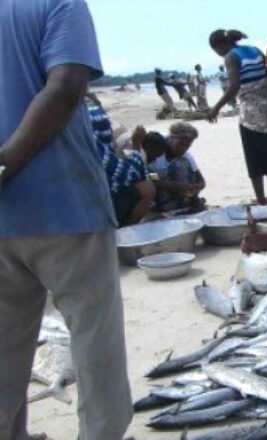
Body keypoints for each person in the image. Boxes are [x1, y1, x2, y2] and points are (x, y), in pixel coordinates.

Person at [0, 1, 133, 439]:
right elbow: (66, 85)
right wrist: (6, 164)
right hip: (65, 204)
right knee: (95, 343)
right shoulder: (58, 3)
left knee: (4, 347)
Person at [207, 29, 267, 205]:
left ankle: (261, 201)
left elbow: (234, 86)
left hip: (251, 115)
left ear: (219, 46)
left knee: (255, 161)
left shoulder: (231, 57)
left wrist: (216, 108)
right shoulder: (254, 50)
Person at [86, 95, 156, 225]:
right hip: (90, 204)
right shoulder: (92, 142)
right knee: (147, 188)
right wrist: (136, 145)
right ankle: (123, 231)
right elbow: (130, 175)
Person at [147, 122, 206, 213]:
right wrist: (175, 185)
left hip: (183, 193)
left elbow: (200, 178)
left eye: (187, 145)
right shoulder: (157, 151)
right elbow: (152, 176)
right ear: (171, 138)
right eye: (181, 144)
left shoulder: (186, 156)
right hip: (161, 196)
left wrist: (196, 187)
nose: (184, 148)